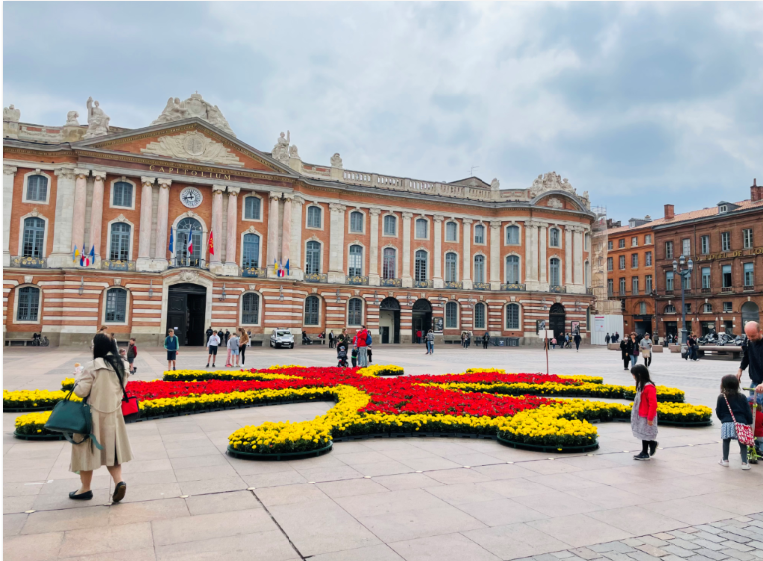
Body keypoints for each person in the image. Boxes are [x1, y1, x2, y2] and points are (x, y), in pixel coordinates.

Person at [69, 333, 132, 502]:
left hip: (92, 416)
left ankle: (85, 489)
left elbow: (81, 391)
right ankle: (119, 481)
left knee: (86, 451)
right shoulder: (123, 365)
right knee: (113, 451)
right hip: (114, 415)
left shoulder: (92, 366)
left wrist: (77, 377)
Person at [737, 321, 763, 455]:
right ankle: (756, 445)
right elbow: (746, 357)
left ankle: (761, 445)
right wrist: (741, 369)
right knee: (754, 415)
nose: (750, 339)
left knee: (761, 415)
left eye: (753, 336)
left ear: (760, 332)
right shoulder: (748, 342)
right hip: (755, 382)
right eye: (748, 336)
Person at [717, 374, 752, 469]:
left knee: (726, 441)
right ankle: (744, 462)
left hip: (726, 423)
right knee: (743, 442)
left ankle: (725, 460)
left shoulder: (721, 397)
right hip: (741, 422)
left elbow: (718, 411)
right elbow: (747, 411)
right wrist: (749, 422)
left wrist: (723, 420)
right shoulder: (742, 397)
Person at [631, 364, 658, 461]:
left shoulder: (649, 387)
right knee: (644, 432)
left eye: (634, 375)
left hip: (647, 415)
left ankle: (645, 452)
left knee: (645, 432)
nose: (633, 377)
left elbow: (653, 404)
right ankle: (651, 444)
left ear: (639, 375)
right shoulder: (641, 385)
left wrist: (650, 418)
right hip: (641, 413)